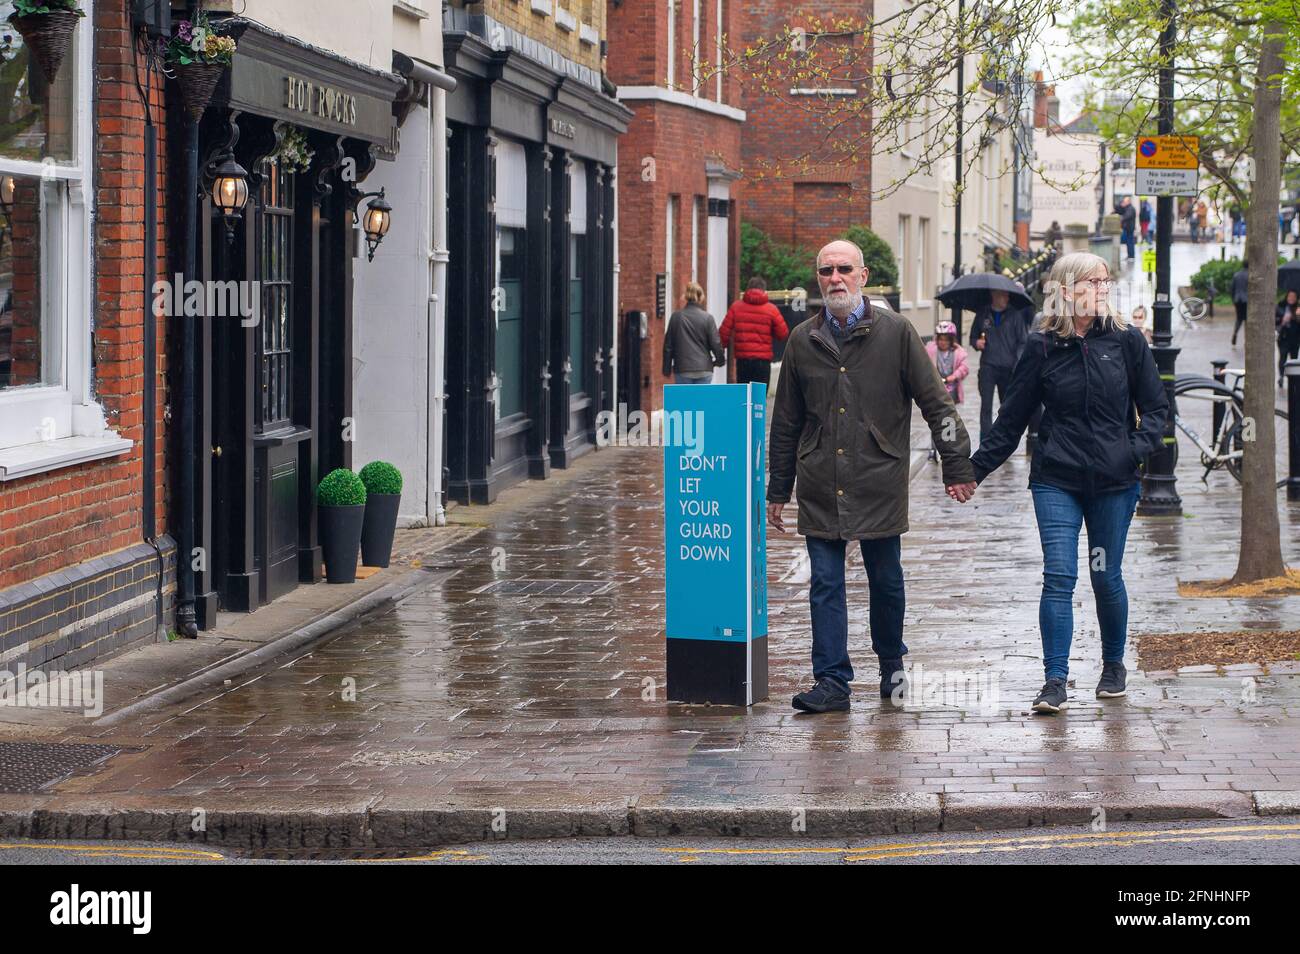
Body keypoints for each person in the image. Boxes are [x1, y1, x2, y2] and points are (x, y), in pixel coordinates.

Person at [767, 240, 976, 713]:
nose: (835, 278)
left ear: (863, 275)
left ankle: (891, 665)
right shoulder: (802, 340)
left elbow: (936, 404)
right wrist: (778, 488)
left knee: (886, 581)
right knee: (825, 582)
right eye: (826, 270)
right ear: (817, 278)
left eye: (844, 269)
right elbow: (786, 422)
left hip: (878, 477)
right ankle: (832, 680)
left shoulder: (897, 333)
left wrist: (957, 464)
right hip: (820, 479)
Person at [970, 252, 1168, 713]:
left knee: (1105, 576)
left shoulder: (1125, 342)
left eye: (1105, 281)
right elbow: (1012, 418)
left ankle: (1113, 665)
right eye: (1093, 282)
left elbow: (1156, 410)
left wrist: (1131, 452)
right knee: (1059, 576)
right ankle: (1054, 680)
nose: (1103, 289)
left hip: (1114, 484)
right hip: (1056, 479)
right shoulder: (1042, 346)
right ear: (1066, 289)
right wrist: (973, 470)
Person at [969, 287, 1033, 442]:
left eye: (1007, 295)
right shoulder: (982, 314)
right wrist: (977, 343)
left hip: (1008, 368)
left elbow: (1023, 342)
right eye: (1003, 295)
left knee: (1006, 407)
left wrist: (1017, 362)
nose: (1006, 298)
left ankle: (1003, 439)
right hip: (988, 367)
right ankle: (986, 440)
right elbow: (972, 337)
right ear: (994, 296)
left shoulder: (1015, 315)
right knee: (986, 407)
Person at [719, 276, 789, 389]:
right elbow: (783, 333)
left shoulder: (736, 307)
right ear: (764, 290)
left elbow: (723, 333)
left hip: (743, 360)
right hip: (763, 361)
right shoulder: (771, 309)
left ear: (747, 289)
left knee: (744, 396)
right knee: (759, 398)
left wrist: (720, 350)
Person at [662, 282, 724, 383]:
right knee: (701, 399)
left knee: (684, 399)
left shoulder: (676, 317)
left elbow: (668, 346)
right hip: (704, 368)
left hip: (682, 368)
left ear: (685, 297)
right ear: (701, 297)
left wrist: (666, 369)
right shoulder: (707, 318)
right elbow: (715, 343)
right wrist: (719, 361)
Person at [926, 320, 970, 405]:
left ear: (951, 340)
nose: (943, 342)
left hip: (951, 388)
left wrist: (954, 376)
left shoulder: (959, 352)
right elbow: (923, 363)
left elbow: (964, 367)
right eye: (941, 340)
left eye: (946, 340)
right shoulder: (930, 350)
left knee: (949, 412)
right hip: (935, 387)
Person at [1278, 289, 1300, 387]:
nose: (1291, 298)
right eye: (1290, 296)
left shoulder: (1298, 308)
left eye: (1294, 297)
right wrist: (1282, 320)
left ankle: (1293, 379)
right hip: (1283, 337)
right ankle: (1281, 377)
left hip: (1295, 338)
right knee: (1283, 357)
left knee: (1294, 358)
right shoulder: (1280, 307)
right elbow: (1275, 320)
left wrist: (1296, 316)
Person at [1231, 258, 1249, 347]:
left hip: (1238, 299)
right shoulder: (1250, 275)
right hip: (1247, 300)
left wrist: (1233, 300)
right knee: (1247, 319)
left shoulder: (1236, 275)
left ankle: (1235, 333)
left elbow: (1232, 289)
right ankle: (1247, 339)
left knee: (1239, 318)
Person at [1118, 196, 1137, 260]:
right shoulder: (1128, 208)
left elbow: (1127, 216)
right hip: (1128, 228)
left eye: (1125, 201)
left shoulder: (1130, 208)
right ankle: (1130, 255)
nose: (1124, 202)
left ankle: (1131, 256)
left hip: (1129, 228)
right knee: (1128, 242)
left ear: (1128, 202)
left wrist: (1121, 218)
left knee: (1130, 242)